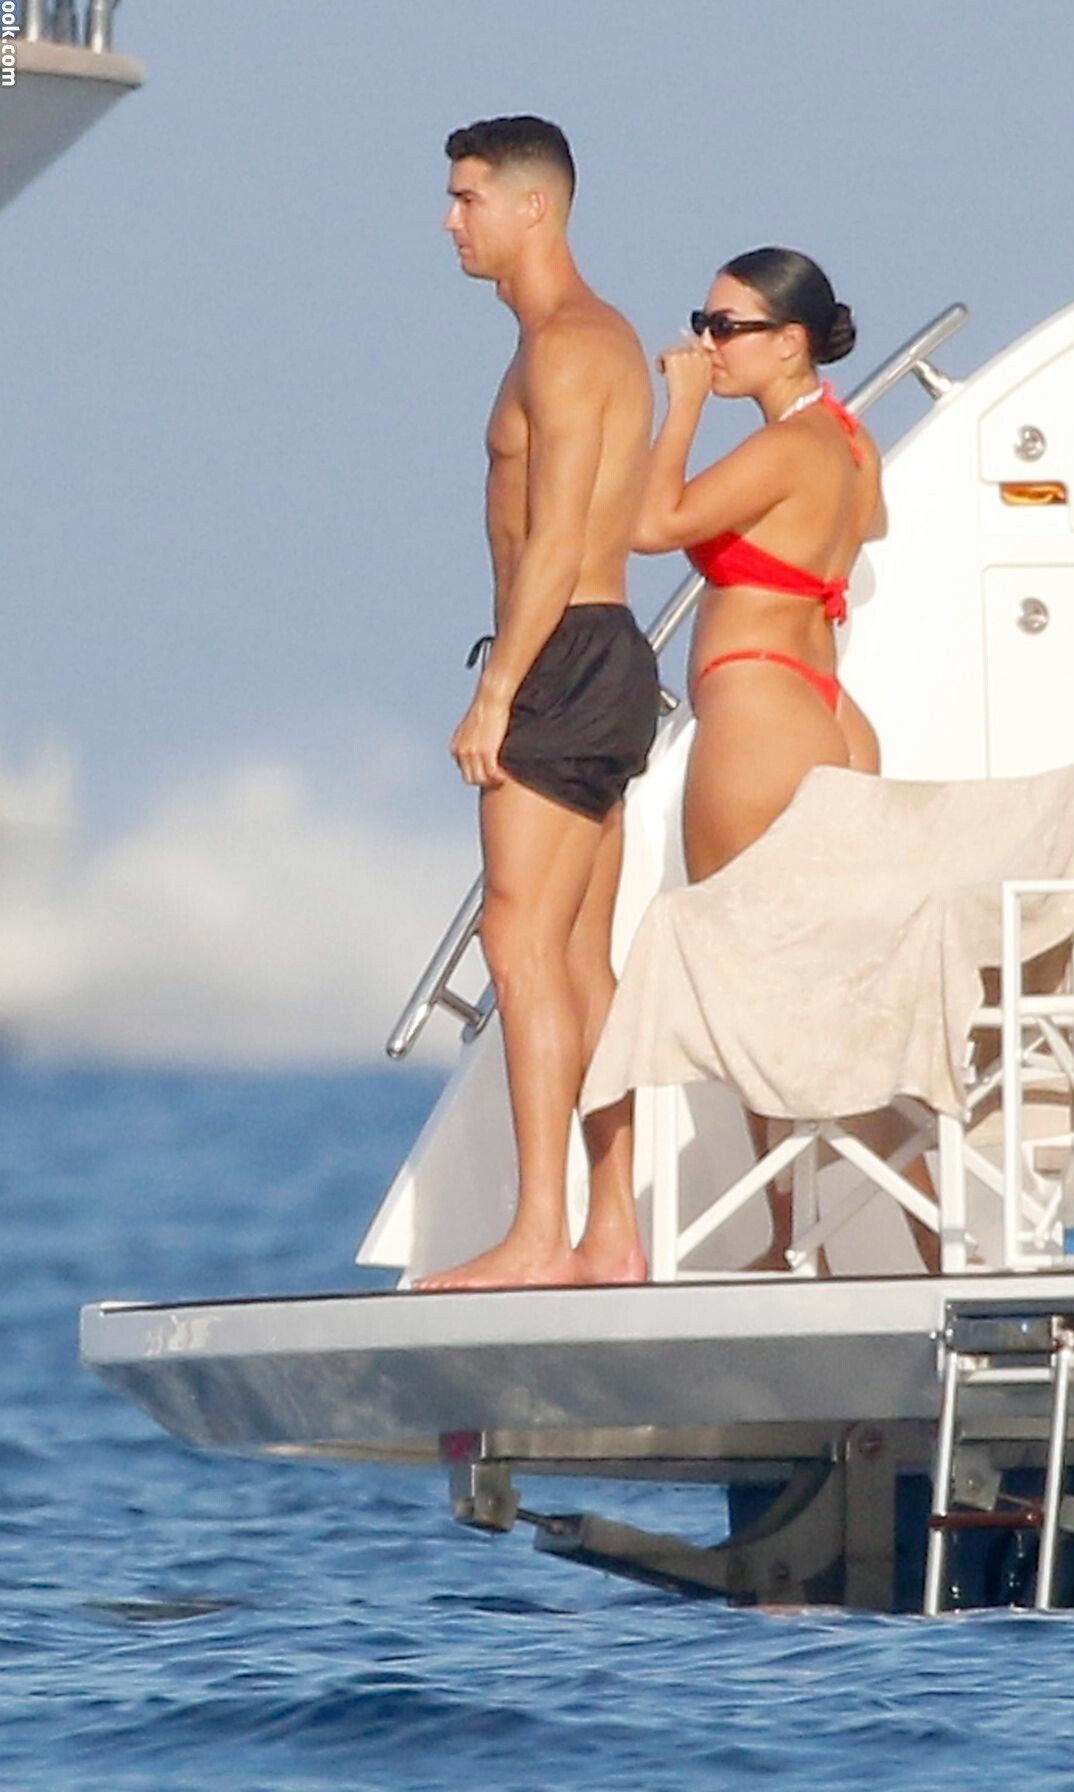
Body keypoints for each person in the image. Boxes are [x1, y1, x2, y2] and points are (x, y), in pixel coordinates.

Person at [633, 245, 938, 1272]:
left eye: (727, 328)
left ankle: (786, 1240)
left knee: (749, 983)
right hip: (823, 708)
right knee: (833, 990)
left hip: (759, 706)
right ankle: (926, 1235)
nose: (705, 345)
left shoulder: (788, 445)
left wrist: (678, 409)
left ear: (790, 340)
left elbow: (652, 523)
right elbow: (869, 525)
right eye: (702, 324)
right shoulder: (847, 441)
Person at [417, 116, 659, 1292]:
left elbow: (556, 539)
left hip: (561, 653)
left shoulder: (565, 345)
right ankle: (609, 1233)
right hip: (597, 653)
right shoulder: (585, 339)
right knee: (577, 958)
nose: (449, 221)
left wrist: (494, 693)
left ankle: (537, 1237)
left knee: (516, 942)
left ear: (533, 207)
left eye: (467, 199)